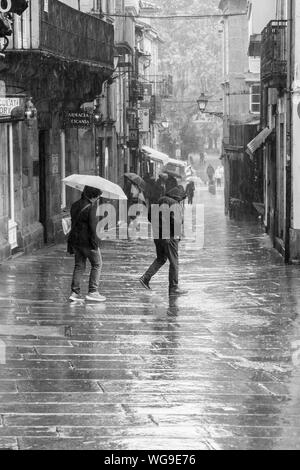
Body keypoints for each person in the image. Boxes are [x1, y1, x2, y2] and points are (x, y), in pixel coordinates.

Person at [139, 184, 188, 296]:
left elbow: (150, 216)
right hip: (169, 236)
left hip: (158, 235)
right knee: (174, 262)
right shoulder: (174, 204)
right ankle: (173, 288)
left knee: (161, 259)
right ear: (178, 197)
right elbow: (176, 222)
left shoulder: (159, 200)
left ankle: (145, 278)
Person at [68, 186, 106, 303]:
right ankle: (93, 291)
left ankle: (75, 292)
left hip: (76, 241)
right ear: (93, 196)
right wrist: (95, 244)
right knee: (97, 264)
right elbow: (93, 228)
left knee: (79, 266)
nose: (98, 199)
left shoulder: (75, 205)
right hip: (88, 242)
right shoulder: (91, 207)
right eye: (98, 197)